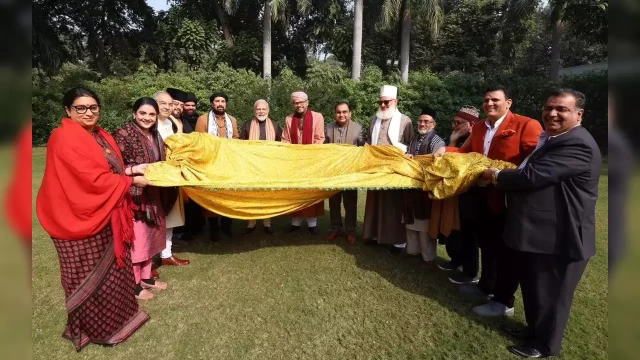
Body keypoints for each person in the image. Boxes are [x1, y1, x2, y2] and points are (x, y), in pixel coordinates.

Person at [482, 89, 601, 358]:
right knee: (537, 290)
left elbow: (532, 177)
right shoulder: (553, 138)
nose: (553, 113)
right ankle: (533, 331)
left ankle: (544, 346)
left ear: (579, 114)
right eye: (549, 108)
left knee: (552, 297)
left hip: (562, 236)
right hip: (543, 233)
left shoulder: (577, 143)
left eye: (562, 109)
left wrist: (496, 175)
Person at [36, 87, 151, 351]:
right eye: (81, 108)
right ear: (68, 110)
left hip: (104, 213)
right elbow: (91, 181)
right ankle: (96, 330)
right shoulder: (63, 137)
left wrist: (131, 170)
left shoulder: (99, 135)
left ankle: (119, 321)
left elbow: (110, 170)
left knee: (114, 275)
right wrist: (132, 181)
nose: (88, 112)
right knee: (85, 277)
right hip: (76, 218)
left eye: (93, 107)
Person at [437, 85, 543, 318]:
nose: (489, 104)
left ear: (509, 102)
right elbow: (466, 154)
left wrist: (502, 175)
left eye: (495, 100)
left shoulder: (526, 124)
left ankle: (504, 301)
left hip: (510, 199)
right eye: (486, 100)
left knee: (507, 251)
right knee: (488, 244)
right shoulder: (479, 128)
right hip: (483, 197)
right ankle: (485, 285)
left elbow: (535, 161)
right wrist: (446, 149)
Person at [113, 98, 172, 300]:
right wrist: (132, 172)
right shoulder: (123, 134)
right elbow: (112, 167)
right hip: (134, 196)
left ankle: (147, 277)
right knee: (138, 240)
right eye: (142, 114)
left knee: (151, 237)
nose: (147, 118)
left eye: (151, 115)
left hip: (153, 195)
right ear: (134, 113)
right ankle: (135, 284)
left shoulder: (156, 135)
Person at [363, 85, 413, 250]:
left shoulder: (405, 121)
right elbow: (371, 141)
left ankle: (397, 240)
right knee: (374, 201)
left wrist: (396, 149)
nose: (383, 105)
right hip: (376, 167)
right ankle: (375, 235)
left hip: (394, 168)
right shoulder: (374, 120)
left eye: (387, 102)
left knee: (392, 204)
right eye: (381, 102)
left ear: (395, 101)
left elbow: (410, 145)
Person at [438, 106, 480, 276]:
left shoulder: (475, 140)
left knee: (467, 233)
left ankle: (469, 271)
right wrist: (453, 142)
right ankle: (455, 260)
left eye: (458, 122)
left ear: (470, 125)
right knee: (453, 230)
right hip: (454, 192)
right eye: (453, 122)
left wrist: (452, 145)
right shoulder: (458, 139)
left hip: (470, 193)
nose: (454, 125)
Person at [403, 107, 445, 263]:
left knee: (425, 226)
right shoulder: (414, 139)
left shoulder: (437, 141)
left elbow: (437, 165)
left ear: (433, 124)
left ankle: (427, 258)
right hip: (410, 186)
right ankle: (412, 251)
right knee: (410, 221)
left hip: (425, 189)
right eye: (420, 121)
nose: (422, 123)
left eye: (426, 121)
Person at [195, 92, 239, 241]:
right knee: (211, 196)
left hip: (228, 164)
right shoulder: (202, 119)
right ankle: (214, 228)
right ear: (212, 104)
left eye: (223, 101)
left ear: (226, 104)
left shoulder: (232, 120)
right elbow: (199, 141)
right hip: (210, 163)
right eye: (217, 101)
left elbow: (235, 140)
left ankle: (227, 226)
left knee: (229, 195)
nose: (220, 104)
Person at [281, 90, 326, 234]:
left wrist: (309, 155)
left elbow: (320, 138)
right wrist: (292, 153)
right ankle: (296, 222)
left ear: (307, 102)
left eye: (301, 102)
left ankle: (312, 224)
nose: (298, 105)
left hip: (312, 160)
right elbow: (285, 139)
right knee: (295, 191)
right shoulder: (289, 119)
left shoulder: (317, 117)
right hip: (294, 162)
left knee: (311, 191)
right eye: (295, 103)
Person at [154, 91, 190, 266]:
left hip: (172, 175)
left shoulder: (173, 123)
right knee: (152, 218)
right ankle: (149, 260)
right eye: (163, 103)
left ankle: (166, 254)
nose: (168, 107)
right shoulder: (149, 123)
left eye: (170, 104)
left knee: (171, 217)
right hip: (154, 177)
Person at [239, 99, 283, 235]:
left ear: (268, 111)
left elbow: (280, 146)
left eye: (264, 109)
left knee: (267, 195)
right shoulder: (247, 125)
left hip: (268, 167)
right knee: (251, 194)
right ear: (254, 111)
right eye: (258, 109)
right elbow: (240, 145)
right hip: (251, 166)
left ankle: (267, 222)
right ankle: (251, 223)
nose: (261, 111)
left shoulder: (275, 125)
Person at [324, 101, 365, 244]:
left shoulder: (358, 128)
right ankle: (336, 228)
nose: (341, 115)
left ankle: (350, 231)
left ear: (350, 113)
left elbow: (362, 149)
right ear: (335, 113)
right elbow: (324, 150)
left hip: (350, 173)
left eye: (344, 112)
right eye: (338, 112)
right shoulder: (328, 128)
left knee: (350, 203)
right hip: (333, 173)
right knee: (334, 202)